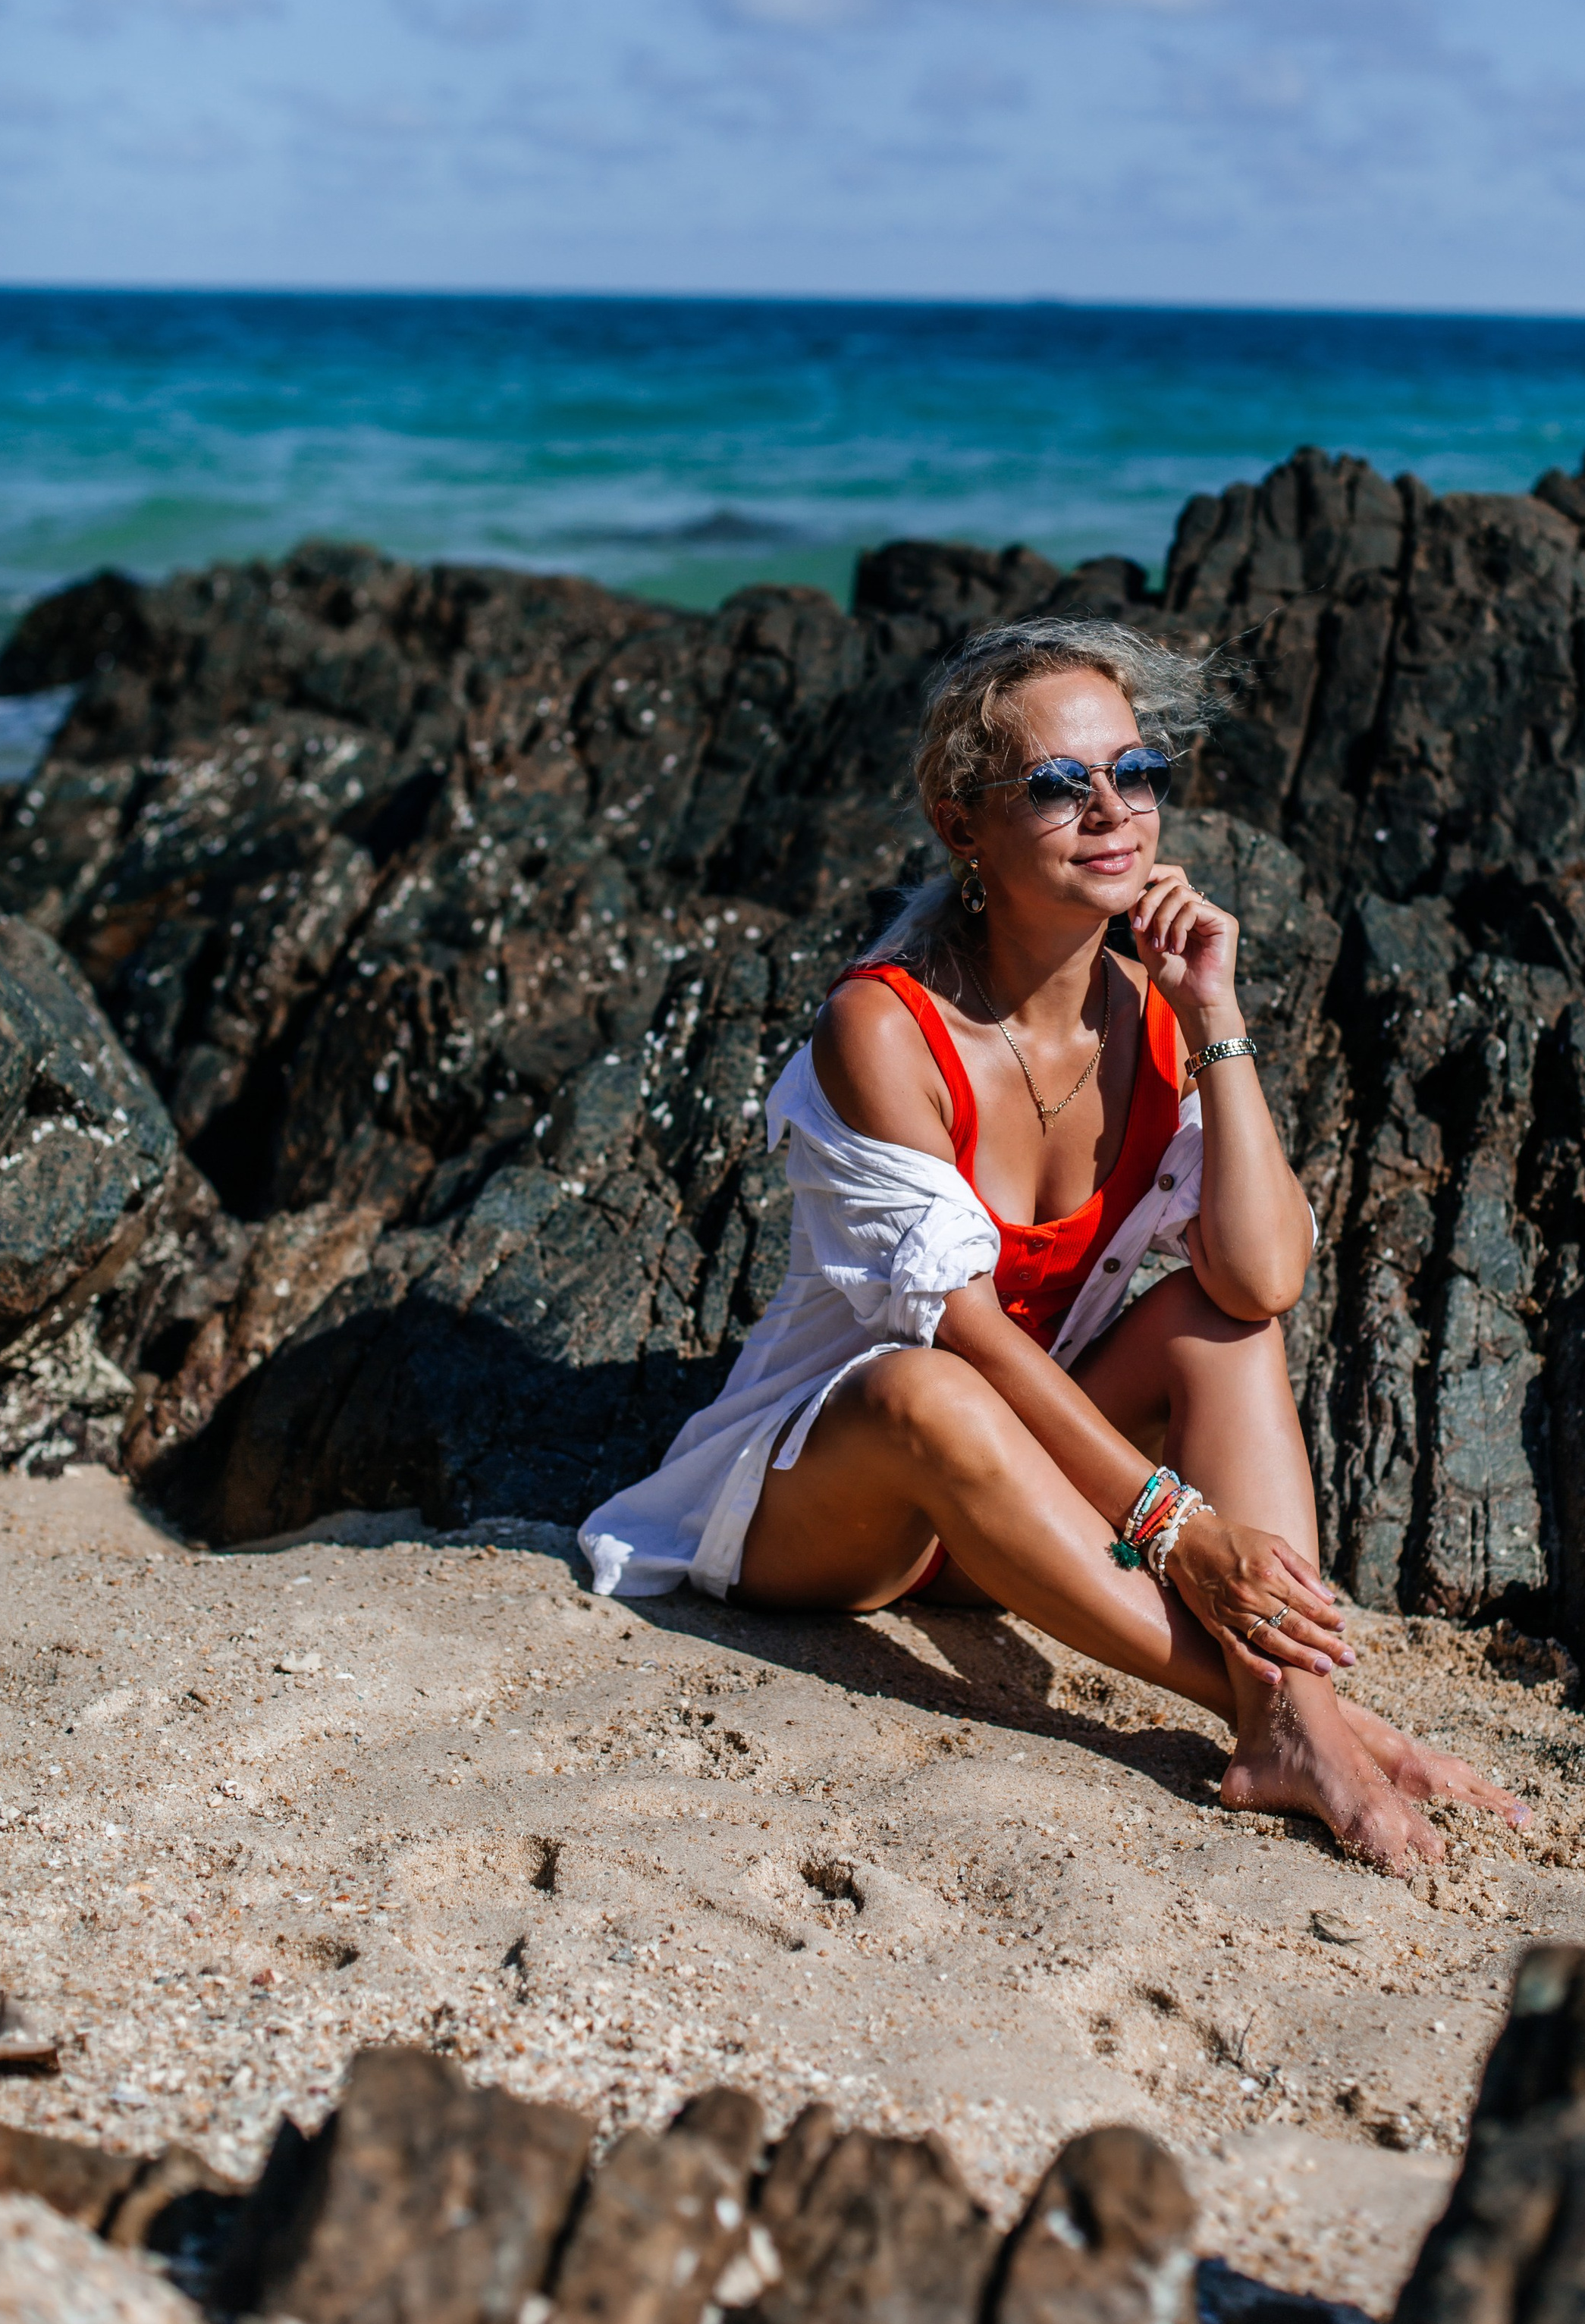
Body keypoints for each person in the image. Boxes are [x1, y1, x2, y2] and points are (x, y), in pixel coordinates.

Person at [579, 617, 1523, 1871]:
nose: (1112, 811)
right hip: (837, 1508)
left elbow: (1264, 1275)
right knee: (932, 1385)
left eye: (1135, 774)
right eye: (1058, 786)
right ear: (961, 821)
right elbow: (958, 1327)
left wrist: (1216, 1015)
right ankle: (1282, 1715)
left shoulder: (1153, 1010)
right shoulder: (886, 1027)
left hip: (1028, 1511)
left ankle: (1295, 1716)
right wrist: (1180, 1528)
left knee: (1218, 1323)